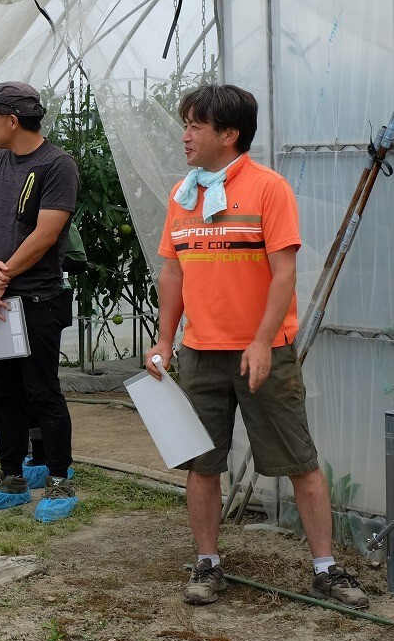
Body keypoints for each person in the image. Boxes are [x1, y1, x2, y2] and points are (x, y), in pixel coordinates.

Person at [145, 84, 368, 608]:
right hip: (200, 353)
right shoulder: (185, 195)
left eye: (196, 125)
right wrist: (164, 339)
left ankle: (326, 568)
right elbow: (172, 273)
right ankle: (207, 563)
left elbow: (284, 272)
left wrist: (264, 342)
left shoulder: (269, 189)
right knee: (202, 463)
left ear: (229, 134)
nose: (185, 135)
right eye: (187, 124)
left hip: (263, 353)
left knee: (299, 460)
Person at [0, 82, 79, 523]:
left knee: (42, 390)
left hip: (36, 297)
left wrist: (1, 275)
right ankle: (10, 476)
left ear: (12, 120)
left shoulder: (57, 165)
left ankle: (59, 479)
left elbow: (46, 234)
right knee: (4, 392)